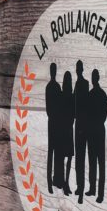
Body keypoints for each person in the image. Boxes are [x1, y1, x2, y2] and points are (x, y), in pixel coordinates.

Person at [86, 68, 107, 204]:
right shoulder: (96, 94)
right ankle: (93, 189)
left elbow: (103, 114)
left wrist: (93, 124)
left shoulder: (99, 94)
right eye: (93, 77)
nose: (94, 79)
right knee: (93, 162)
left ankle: (100, 193)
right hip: (95, 130)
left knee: (99, 162)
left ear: (97, 78)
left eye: (95, 76)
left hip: (97, 130)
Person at [73, 60, 89, 204]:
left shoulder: (84, 84)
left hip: (83, 124)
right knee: (78, 157)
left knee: (81, 157)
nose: (78, 70)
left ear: (81, 69)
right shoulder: (77, 84)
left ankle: (82, 190)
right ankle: (79, 186)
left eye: (79, 68)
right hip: (77, 124)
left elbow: (83, 104)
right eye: (77, 68)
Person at [56, 70, 75, 195]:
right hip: (68, 130)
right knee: (68, 159)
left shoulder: (61, 95)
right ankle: (66, 182)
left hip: (62, 130)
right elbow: (74, 114)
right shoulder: (72, 97)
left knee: (62, 158)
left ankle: (63, 181)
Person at [45, 63, 62, 194]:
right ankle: (53, 181)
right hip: (55, 122)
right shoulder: (55, 87)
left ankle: (53, 181)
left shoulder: (50, 87)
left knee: (53, 152)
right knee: (55, 152)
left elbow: (48, 108)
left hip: (52, 122)